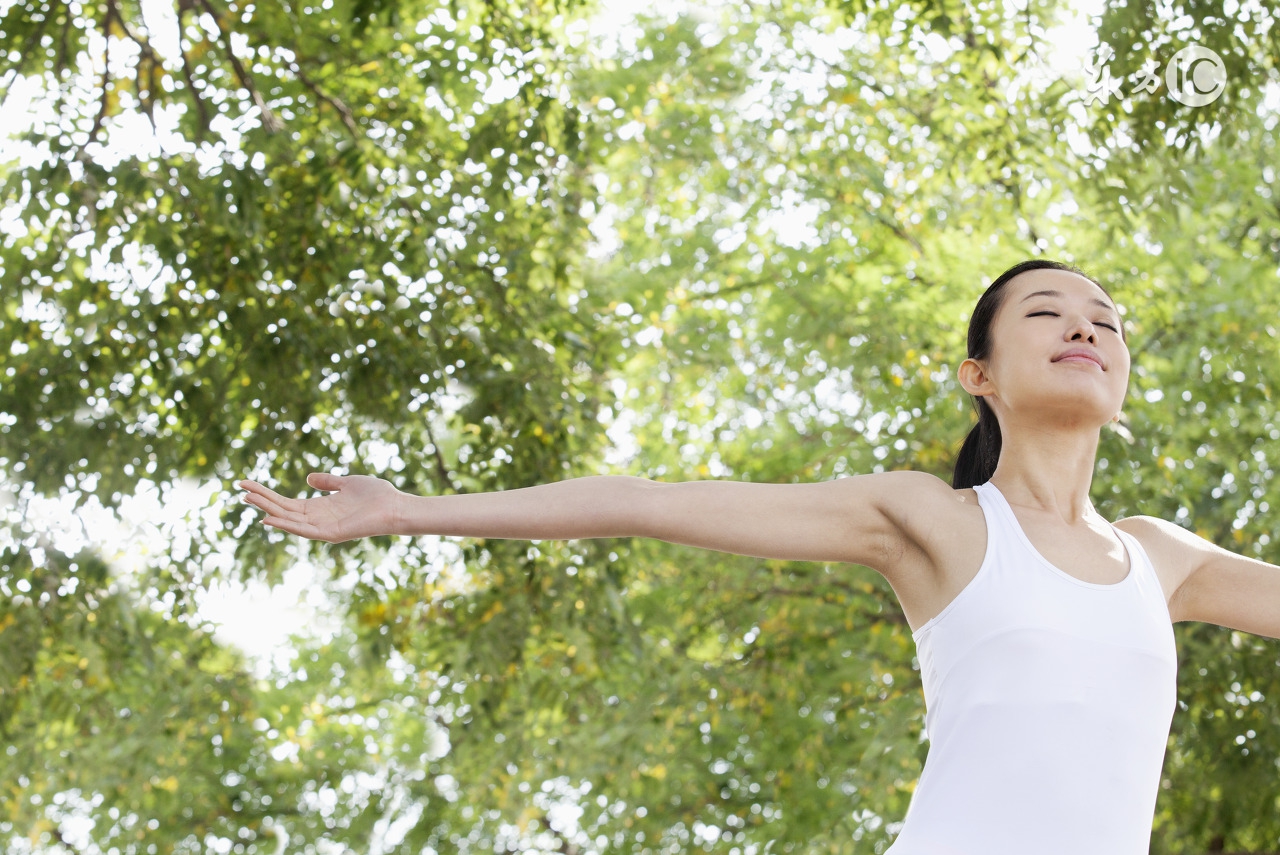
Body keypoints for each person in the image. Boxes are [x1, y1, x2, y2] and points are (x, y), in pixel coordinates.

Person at [238, 259, 1280, 854]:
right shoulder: (933, 520)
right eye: (1047, 314)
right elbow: (643, 503)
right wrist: (412, 509)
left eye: (1105, 322)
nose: (1085, 328)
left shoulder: (1158, 557)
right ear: (979, 373)